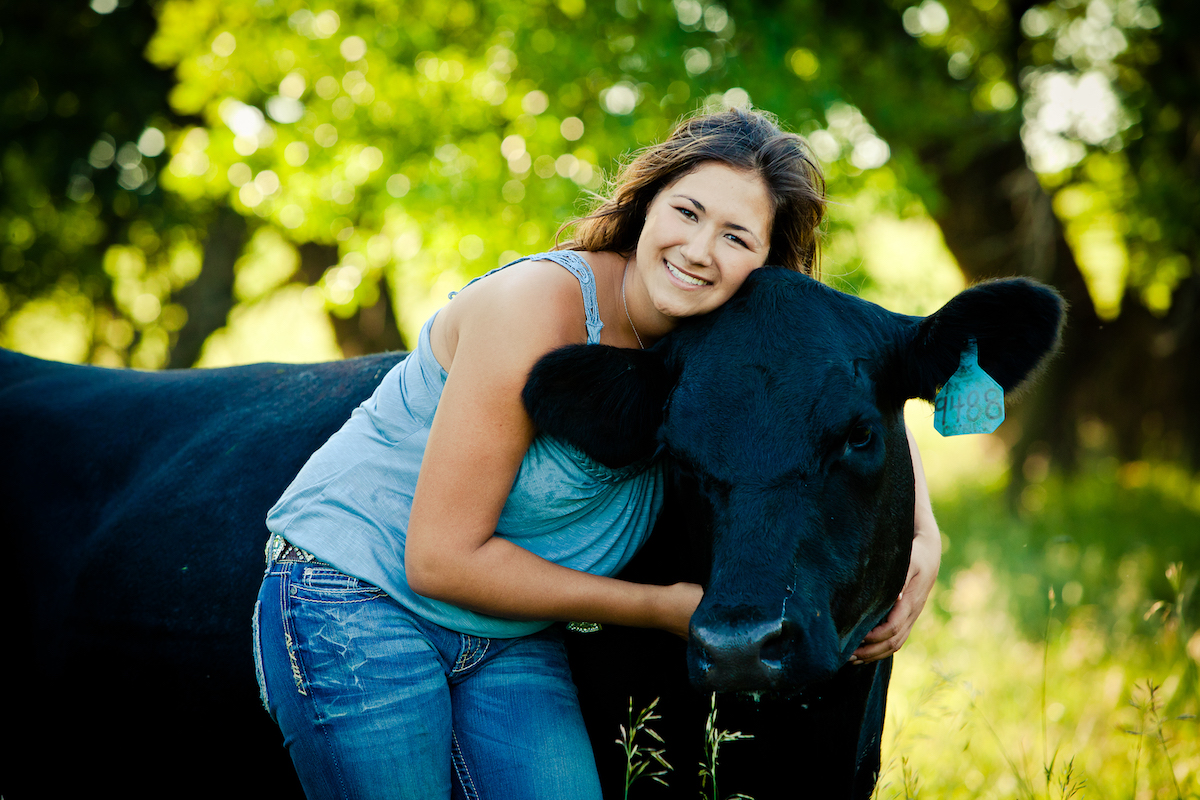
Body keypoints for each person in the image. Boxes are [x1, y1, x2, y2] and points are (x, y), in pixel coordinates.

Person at [252, 107, 941, 799]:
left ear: (766, 265)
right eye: (687, 212)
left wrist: (924, 535)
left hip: (510, 632)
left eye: (735, 236)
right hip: (357, 596)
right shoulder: (536, 306)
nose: (700, 250)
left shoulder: (729, 335)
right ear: (645, 205)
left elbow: (844, 393)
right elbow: (437, 560)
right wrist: (663, 608)